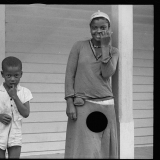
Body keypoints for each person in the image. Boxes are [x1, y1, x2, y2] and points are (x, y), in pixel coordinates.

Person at [64, 10, 119, 158]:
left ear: (109, 29)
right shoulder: (79, 46)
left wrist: (105, 47)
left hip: (106, 104)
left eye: (103, 27)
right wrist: (69, 102)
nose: (98, 31)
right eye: (95, 27)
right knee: (83, 149)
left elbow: (107, 73)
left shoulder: (114, 51)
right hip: (82, 104)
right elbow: (70, 75)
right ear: (90, 28)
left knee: (103, 148)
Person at [0, 56, 33, 158]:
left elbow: (26, 113)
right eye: (9, 75)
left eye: (16, 76)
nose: (12, 79)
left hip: (15, 134)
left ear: (21, 74)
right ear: (2, 74)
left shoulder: (25, 92)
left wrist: (15, 96)